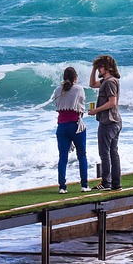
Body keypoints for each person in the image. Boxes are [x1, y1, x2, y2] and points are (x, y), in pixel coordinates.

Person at [51, 66, 90, 194]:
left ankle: (62, 187)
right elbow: (81, 107)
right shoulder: (79, 89)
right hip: (76, 126)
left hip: (62, 126)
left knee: (63, 157)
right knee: (82, 156)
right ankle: (84, 185)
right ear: (75, 77)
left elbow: (57, 106)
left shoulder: (58, 90)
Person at [87, 54, 122, 190]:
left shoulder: (110, 82)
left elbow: (112, 102)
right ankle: (115, 183)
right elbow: (91, 84)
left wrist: (96, 110)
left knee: (105, 153)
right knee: (113, 152)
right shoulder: (107, 81)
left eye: (101, 66)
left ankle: (106, 183)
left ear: (108, 67)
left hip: (108, 122)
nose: (99, 69)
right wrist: (94, 70)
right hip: (114, 121)